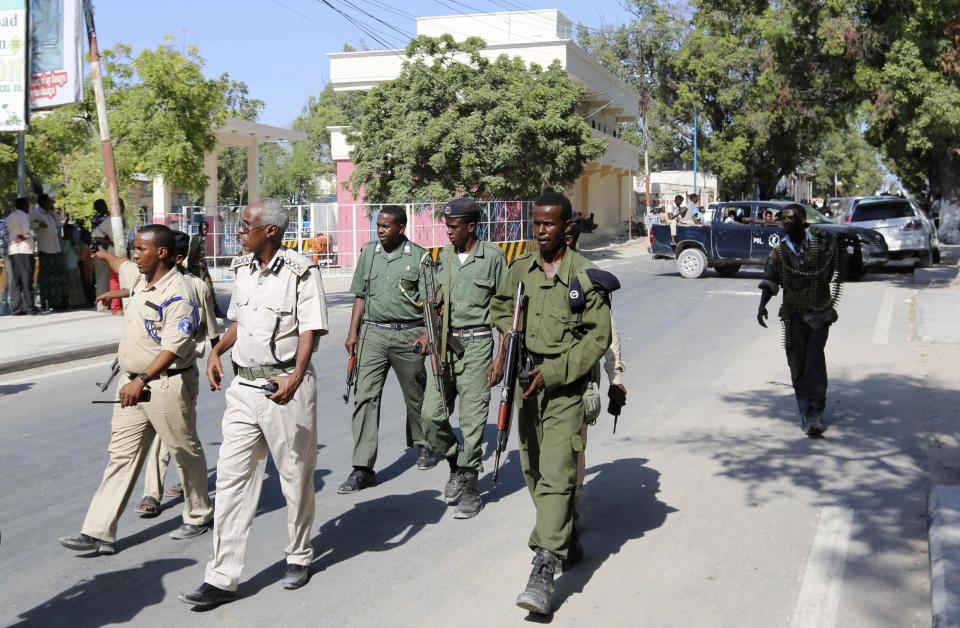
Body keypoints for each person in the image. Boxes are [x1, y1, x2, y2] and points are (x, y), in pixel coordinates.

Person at [180, 198, 328, 606]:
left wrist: (295, 378)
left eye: (246, 226)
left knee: (295, 476)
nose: (239, 231)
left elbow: (310, 330)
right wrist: (217, 351)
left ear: (271, 231)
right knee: (231, 482)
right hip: (244, 389)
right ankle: (221, 577)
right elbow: (239, 321)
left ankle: (299, 554)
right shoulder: (242, 268)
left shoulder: (301, 271)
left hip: (285, 388)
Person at [58, 224, 214, 555]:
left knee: (183, 451)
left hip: (166, 383)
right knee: (121, 456)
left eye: (141, 249)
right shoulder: (140, 278)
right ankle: (98, 531)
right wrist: (102, 254)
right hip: (131, 384)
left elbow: (173, 347)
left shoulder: (180, 293)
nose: (134, 255)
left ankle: (199, 515)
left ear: (162, 253)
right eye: (134, 248)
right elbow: (121, 265)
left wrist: (141, 380)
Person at [490, 193, 612, 616]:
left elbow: (598, 338)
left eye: (548, 224)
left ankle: (543, 566)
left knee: (559, 472)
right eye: (536, 224)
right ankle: (566, 535)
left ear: (566, 227)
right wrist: (510, 342)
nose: (540, 231)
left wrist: (557, 371)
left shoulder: (585, 276)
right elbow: (501, 306)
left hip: (565, 388)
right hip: (526, 383)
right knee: (535, 471)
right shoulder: (521, 269)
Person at [418, 198, 507, 519]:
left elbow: (506, 314)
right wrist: (429, 335)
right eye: (447, 226)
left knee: (472, 420)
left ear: (471, 226)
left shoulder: (493, 258)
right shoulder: (443, 258)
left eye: (453, 227)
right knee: (429, 415)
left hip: (479, 346)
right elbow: (439, 304)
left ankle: (470, 483)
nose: (448, 232)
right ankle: (456, 460)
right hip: (446, 345)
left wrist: (501, 358)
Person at [338, 205, 437, 494]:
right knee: (364, 397)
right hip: (373, 334)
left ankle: (423, 445)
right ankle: (362, 467)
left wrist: (428, 337)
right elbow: (360, 295)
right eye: (378, 225)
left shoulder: (419, 258)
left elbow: (431, 303)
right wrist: (352, 332)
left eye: (385, 226)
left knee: (415, 394)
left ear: (401, 229)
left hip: (409, 334)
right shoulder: (369, 253)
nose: (380, 230)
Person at [136, 230, 221, 517]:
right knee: (162, 435)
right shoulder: (150, 281)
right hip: (151, 372)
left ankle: (191, 495)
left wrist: (215, 359)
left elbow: (212, 331)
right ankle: (152, 492)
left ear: (178, 257)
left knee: (178, 437)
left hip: (182, 372)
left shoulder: (195, 287)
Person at [757, 204, 849, 437]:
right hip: (794, 314)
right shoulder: (778, 252)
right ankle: (804, 407)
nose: (784, 222)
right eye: (783, 219)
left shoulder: (824, 244)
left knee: (814, 359)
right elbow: (770, 280)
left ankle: (815, 413)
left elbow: (844, 267)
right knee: (797, 362)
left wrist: (849, 248)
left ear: (802, 221)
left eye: (789, 218)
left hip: (820, 312)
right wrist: (762, 305)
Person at [565, 213, 626, 509]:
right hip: (539, 375)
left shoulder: (588, 274)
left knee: (574, 445)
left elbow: (607, 331)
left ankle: (570, 511)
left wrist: (616, 378)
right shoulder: (530, 271)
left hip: (580, 375)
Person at [30, 194, 67, 312]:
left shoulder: (51, 213)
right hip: (45, 249)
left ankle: (61, 302)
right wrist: (38, 225)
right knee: (48, 278)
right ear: (44, 202)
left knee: (59, 276)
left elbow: (58, 224)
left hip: (56, 248)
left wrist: (54, 212)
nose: (52, 204)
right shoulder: (36, 213)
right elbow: (27, 224)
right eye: (50, 202)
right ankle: (49, 302)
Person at [4, 197, 37, 315]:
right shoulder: (23, 216)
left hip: (12, 250)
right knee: (27, 279)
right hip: (24, 250)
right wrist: (24, 235)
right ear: (23, 205)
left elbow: (5, 232)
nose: (28, 207)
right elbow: (26, 231)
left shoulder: (9, 217)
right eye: (27, 205)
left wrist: (13, 238)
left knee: (16, 280)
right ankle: (30, 307)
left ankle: (16, 308)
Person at [91, 199, 122, 314]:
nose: (105, 207)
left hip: (105, 251)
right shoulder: (104, 219)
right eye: (102, 206)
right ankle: (102, 303)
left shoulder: (102, 218)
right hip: (102, 251)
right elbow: (96, 235)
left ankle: (108, 303)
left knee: (108, 279)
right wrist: (109, 242)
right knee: (103, 279)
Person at [60, 224, 86, 308]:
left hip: (75, 265)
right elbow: (63, 252)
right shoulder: (62, 241)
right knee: (72, 286)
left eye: (71, 231)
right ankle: (74, 303)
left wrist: (74, 244)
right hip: (68, 266)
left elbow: (77, 252)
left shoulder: (74, 240)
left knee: (78, 285)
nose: (70, 233)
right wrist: (68, 242)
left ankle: (81, 301)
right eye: (69, 231)